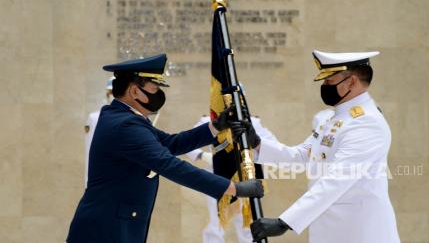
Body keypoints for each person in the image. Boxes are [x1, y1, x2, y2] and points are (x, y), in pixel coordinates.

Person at [67, 54, 264, 243]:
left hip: (113, 226)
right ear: (135, 91)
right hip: (105, 231)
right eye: (154, 88)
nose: (159, 94)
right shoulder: (125, 125)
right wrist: (232, 188)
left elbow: (170, 144)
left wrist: (216, 127)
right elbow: (168, 164)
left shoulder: (125, 118)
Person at [245, 50, 400, 243]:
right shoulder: (332, 118)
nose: (325, 87)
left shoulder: (367, 122)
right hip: (332, 230)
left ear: (351, 82)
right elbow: (302, 156)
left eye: (329, 81)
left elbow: (337, 180)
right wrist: (256, 143)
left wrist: (284, 222)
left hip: (360, 231)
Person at [186, 116, 277, 243]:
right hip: (217, 177)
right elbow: (188, 142)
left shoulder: (251, 121)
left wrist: (255, 147)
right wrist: (202, 155)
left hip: (246, 177)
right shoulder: (209, 120)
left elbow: (273, 144)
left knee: (248, 225)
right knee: (215, 225)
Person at [84, 76, 114, 185]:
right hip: (101, 180)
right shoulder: (96, 118)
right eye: (111, 92)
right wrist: (88, 183)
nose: (113, 96)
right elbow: (90, 151)